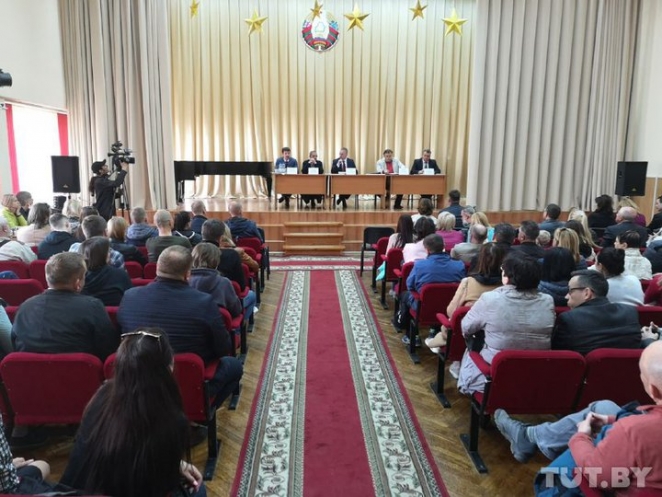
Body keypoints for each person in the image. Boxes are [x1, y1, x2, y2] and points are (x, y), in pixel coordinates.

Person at [493, 341, 662, 494]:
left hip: (598, 484)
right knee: (602, 406)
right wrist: (613, 420)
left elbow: (598, 476)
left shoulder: (632, 431)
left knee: (555, 476)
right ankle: (531, 437)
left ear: (653, 390)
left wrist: (581, 437)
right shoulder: (634, 427)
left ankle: (530, 438)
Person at [60, 328, 206, 497]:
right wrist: (173, 466)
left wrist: (176, 464)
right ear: (168, 369)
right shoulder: (172, 419)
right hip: (118, 489)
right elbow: (157, 484)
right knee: (198, 489)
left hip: (80, 490)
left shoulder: (102, 394)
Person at [117, 246, 243, 410]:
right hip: (189, 383)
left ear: (157, 268)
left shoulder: (129, 296)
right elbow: (223, 348)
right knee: (235, 366)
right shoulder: (204, 302)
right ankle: (203, 413)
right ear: (187, 274)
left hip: (138, 384)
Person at [457, 253, 555, 395]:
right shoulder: (548, 300)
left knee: (474, 343)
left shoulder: (490, 299)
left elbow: (466, 327)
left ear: (507, 277)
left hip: (494, 374)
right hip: (534, 375)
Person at [12, 252, 119, 360]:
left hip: (29, 370)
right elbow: (108, 348)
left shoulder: (24, 307)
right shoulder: (93, 307)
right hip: (79, 370)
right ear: (77, 283)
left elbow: (15, 343)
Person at [427, 242, 505, 358]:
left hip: (464, 336)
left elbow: (451, 312)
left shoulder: (468, 282)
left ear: (480, 260)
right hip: (497, 339)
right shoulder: (508, 288)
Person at [395, 234, 466, 345]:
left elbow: (410, 285)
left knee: (405, 295)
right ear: (444, 246)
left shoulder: (420, 265)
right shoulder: (459, 265)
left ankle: (412, 336)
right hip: (449, 306)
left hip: (423, 307)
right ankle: (434, 331)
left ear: (427, 250)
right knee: (441, 296)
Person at [552, 270, 641, 354]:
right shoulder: (630, 312)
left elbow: (560, 355)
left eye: (570, 291)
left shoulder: (569, 319)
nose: (566, 296)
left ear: (587, 293)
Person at [0, 413, 56, 494]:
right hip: (11, 488)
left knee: (42, 465)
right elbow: (5, 483)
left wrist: (7, 465)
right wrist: (6, 468)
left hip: (8, 479)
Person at [189, 243, 242, 318]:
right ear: (216, 260)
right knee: (251, 296)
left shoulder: (183, 282)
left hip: (190, 323)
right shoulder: (224, 282)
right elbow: (236, 310)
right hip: (219, 323)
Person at [80, 237, 133, 306]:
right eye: (108, 251)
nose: (110, 254)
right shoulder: (120, 275)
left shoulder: (76, 279)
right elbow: (131, 299)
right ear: (103, 255)